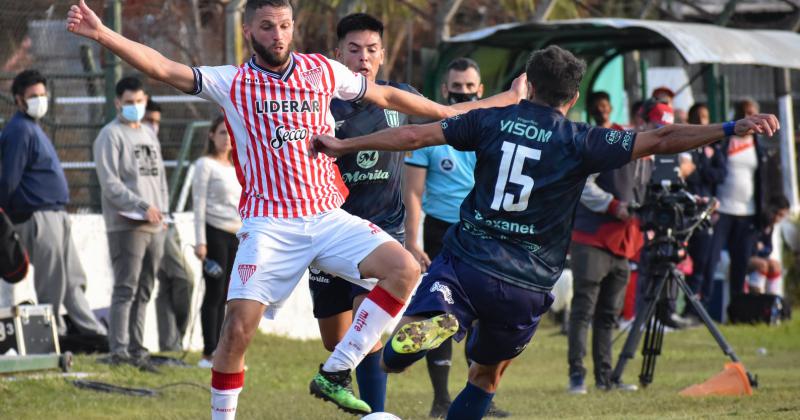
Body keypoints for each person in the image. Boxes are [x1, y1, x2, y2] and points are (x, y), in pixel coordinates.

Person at [67, 1, 525, 417]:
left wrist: (481, 105)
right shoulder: (234, 82)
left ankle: (335, 371)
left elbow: (388, 97)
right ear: (249, 31)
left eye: (285, 25)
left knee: (404, 271)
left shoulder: (321, 70)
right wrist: (104, 33)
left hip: (328, 217)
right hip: (269, 225)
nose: (278, 35)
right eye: (267, 27)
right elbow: (165, 68)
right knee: (236, 332)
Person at [311, 44, 779, 420]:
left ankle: (421, 332)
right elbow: (659, 138)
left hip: (468, 260)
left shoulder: (490, 118)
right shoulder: (580, 139)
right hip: (528, 282)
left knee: (400, 347)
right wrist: (731, 125)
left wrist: (344, 144)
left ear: (527, 86)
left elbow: (412, 137)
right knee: (485, 378)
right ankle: (437, 346)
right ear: (572, 98)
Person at [305, 13, 423, 412]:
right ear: (338, 55)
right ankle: (351, 375)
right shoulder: (321, 103)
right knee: (336, 339)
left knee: (366, 328)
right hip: (330, 230)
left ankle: (377, 413)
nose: (363, 58)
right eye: (354, 50)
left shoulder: (399, 97)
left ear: (383, 55)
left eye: (371, 50)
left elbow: (444, 120)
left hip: (382, 232)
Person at [404, 57, 508, 418]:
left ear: (480, 91)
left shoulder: (493, 132)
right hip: (440, 233)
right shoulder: (429, 134)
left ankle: (480, 396)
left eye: (469, 87)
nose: (462, 92)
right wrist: (413, 241)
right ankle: (440, 399)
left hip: (483, 233)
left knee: (483, 317)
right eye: (456, 87)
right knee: (440, 316)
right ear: (445, 90)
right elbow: (413, 193)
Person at [0, 69, 106, 337]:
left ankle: (91, 332)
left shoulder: (33, 128)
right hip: (38, 216)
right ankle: (51, 335)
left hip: (56, 214)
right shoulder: (20, 130)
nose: (40, 100)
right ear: (19, 100)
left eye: (43, 94)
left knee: (72, 277)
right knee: (52, 280)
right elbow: (9, 179)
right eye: (33, 96)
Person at [567, 91, 648, 394]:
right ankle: (577, 375)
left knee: (608, 316)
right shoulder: (607, 141)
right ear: (638, 118)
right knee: (583, 311)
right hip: (593, 238)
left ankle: (605, 378)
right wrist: (613, 206)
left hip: (624, 243)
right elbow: (583, 184)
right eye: (650, 121)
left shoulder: (648, 154)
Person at [93, 76, 169, 370]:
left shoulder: (149, 133)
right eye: (128, 103)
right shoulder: (109, 136)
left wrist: (162, 211)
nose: (135, 107)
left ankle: (138, 350)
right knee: (126, 288)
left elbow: (160, 177)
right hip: (126, 225)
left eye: (139, 101)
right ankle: (119, 351)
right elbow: (110, 184)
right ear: (117, 103)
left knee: (146, 289)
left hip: (155, 225)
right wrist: (141, 205)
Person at [706, 98, 770, 305]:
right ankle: (699, 305)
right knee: (711, 258)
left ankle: (737, 307)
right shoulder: (724, 141)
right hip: (722, 209)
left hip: (748, 212)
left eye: (753, 112)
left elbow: (764, 181)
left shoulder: (759, 146)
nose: (749, 116)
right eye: (744, 112)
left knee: (741, 262)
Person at [193, 116, 243, 367]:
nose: (226, 139)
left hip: (237, 234)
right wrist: (200, 242)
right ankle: (208, 351)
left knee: (231, 296)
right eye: (222, 133)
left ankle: (226, 352)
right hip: (214, 231)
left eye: (230, 134)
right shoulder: (205, 165)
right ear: (212, 135)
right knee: (214, 292)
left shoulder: (238, 166)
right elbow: (199, 204)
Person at [684, 103, 726, 313]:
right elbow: (686, 174)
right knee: (680, 261)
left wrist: (699, 168)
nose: (702, 120)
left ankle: (693, 310)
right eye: (697, 116)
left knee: (701, 263)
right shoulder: (684, 144)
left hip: (705, 212)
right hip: (685, 210)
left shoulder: (715, 147)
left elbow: (720, 174)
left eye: (705, 116)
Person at [747, 195, 790, 295]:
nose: (777, 218)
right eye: (776, 213)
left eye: (781, 216)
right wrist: (757, 247)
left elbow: (768, 248)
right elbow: (748, 247)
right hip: (742, 257)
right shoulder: (756, 221)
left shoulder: (769, 226)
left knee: (776, 265)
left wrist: (760, 248)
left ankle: (772, 299)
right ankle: (756, 298)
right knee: (762, 265)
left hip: (757, 257)